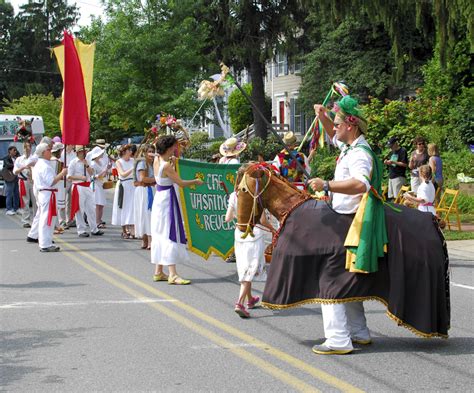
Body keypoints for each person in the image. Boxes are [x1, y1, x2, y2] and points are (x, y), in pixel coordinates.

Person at [308, 95, 375, 355]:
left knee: (330, 279)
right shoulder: (349, 146)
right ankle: (359, 332)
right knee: (346, 279)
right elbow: (333, 135)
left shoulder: (359, 153)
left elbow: (361, 184)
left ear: (351, 125)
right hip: (343, 220)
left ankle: (337, 339)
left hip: (350, 224)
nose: (334, 129)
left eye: (337, 124)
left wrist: (327, 185)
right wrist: (323, 115)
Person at [151, 135, 203, 284]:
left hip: (160, 197)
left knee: (160, 232)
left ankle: (159, 271)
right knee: (169, 232)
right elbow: (180, 183)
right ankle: (172, 274)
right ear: (168, 148)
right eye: (174, 146)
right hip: (167, 199)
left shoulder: (157, 160)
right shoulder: (166, 165)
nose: (176, 148)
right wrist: (195, 181)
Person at [225, 164, 267, 318]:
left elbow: (228, 218)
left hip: (239, 233)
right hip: (254, 234)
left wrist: (238, 216)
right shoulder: (256, 195)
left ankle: (250, 300)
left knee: (245, 267)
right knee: (249, 270)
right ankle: (240, 302)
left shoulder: (233, 195)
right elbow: (262, 220)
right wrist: (274, 228)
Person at [31, 143, 67, 252]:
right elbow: (51, 181)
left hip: (45, 193)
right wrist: (62, 173)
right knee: (47, 219)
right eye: (48, 149)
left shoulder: (41, 163)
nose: (50, 151)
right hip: (47, 194)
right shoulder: (44, 165)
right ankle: (45, 244)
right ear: (43, 152)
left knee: (47, 218)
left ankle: (46, 242)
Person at [67, 145, 104, 237]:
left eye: (84, 152)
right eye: (81, 152)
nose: (84, 153)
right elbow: (69, 176)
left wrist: (87, 165)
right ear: (77, 153)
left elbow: (91, 173)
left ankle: (94, 228)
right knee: (79, 209)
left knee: (91, 208)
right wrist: (79, 177)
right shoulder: (73, 162)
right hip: (78, 186)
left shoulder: (87, 162)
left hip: (87, 186)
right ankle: (81, 230)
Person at [133, 144, 156, 249]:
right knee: (145, 214)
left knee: (148, 214)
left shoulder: (153, 163)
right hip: (144, 190)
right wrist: (156, 179)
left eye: (153, 151)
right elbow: (142, 179)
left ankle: (148, 240)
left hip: (149, 189)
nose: (151, 153)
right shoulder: (143, 163)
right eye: (149, 151)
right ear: (145, 153)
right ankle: (146, 239)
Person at [111, 144, 135, 238]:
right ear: (124, 152)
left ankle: (132, 229)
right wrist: (133, 168)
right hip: (123, 185)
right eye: (129, 150)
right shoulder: (119, 162)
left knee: (131, 207)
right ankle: (124, 230)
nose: (131, 152)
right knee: (123, 206)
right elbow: (122, 174)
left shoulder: (133, 160)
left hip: (132, 185)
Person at [13, 141, 36, 227]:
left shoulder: (34, 158)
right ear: (23, 149)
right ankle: (26, 220)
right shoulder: (19, 159)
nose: (27, 149)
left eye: (28, 147)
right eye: (25, 147)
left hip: (33, 181)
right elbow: (15, 172)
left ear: (30, 148)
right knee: (25, 201)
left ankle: (35, 219)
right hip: (23, 181)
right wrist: (23, 167)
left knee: (35, 201)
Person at [88, 146, 109, 228]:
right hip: (95, 184)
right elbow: (92, 176)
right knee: (97, 203)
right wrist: (101, 173)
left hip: (100, 184)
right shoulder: (93, 164)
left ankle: (99, 220)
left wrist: (106, 171)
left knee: (101, 203)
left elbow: (102, 174)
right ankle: (96, 221)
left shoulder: (100, 162)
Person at [384, 136, 408, 201]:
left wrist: (393, 162)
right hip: (391, 176)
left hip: (399, 177)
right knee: (392, 197)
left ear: (395, 144)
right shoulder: (391, 152)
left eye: (391, 146)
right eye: (389, 147)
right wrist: (387, 162)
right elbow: (391, 163)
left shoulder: (402, 150)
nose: (390, 148)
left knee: (398, 197)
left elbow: (405, 164)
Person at [51, 142, 67, 233]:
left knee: (55, 207)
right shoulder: (58, 162)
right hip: (57, 185)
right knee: (55, 207)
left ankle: (56, 225)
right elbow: (59, 176)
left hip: (55, 185)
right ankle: (54, 226)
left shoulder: (49, 160)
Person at [3, 145, 20, 215]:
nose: (15, 152)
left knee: (16, 193)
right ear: (10, 151)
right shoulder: (6, 158)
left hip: (16, 177)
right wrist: (16, 163)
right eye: (14, 150)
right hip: (9, 178)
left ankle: (16, 208)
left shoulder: (17, 157)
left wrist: (18, 156)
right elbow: (8, 165)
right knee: (9, 193)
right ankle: (8, 209)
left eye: (16, 150)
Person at [63, 144, 77, 228]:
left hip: (72, 179)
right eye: (71, 144)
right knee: (62, 200)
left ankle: (69, 219)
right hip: (64, 179)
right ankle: (62, 220)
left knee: (70, 201)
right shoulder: (62, 153)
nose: (73, 146)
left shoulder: (73, 154)